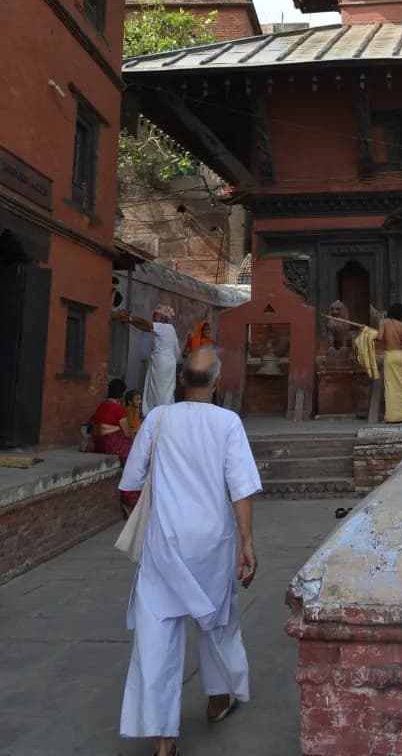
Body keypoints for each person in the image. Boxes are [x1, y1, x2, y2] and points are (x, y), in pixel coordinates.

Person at [118, 346, 261, 756]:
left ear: (182, 381)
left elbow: (130, 484)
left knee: (157, 633)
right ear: (217, 383)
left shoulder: (158, 419)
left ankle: (165, 741)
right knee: (218, 621)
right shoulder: (228, 422)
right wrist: (247, 540)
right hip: (212, 541)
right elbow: (241, 488)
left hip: (165, 541)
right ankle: (219, 698)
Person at [89, 378, 140, 514]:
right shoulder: (118, 409)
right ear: (121, 394)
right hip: (112, 444)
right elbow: (127, 433)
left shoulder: (100, 407)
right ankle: (130, 500)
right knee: (135, 463)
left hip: (97, 444)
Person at [377, 302, 402, 423]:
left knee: (391, 387)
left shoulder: (383, 322)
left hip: (389, 355)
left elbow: (379, 337)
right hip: (400, 355)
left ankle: (393, 416)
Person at [142, 305, 181, 416]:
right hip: (167, 362)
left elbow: (146, 325)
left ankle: (158, 413)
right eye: (153, 316)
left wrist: (130, 319)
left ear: (165, 318)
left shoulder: (165, 328)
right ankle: (162, 412)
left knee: (159, 390)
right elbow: (177, 352)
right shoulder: (170, 330)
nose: (154, 319)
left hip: (162, 363)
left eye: (157, 316)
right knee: (163, 390)